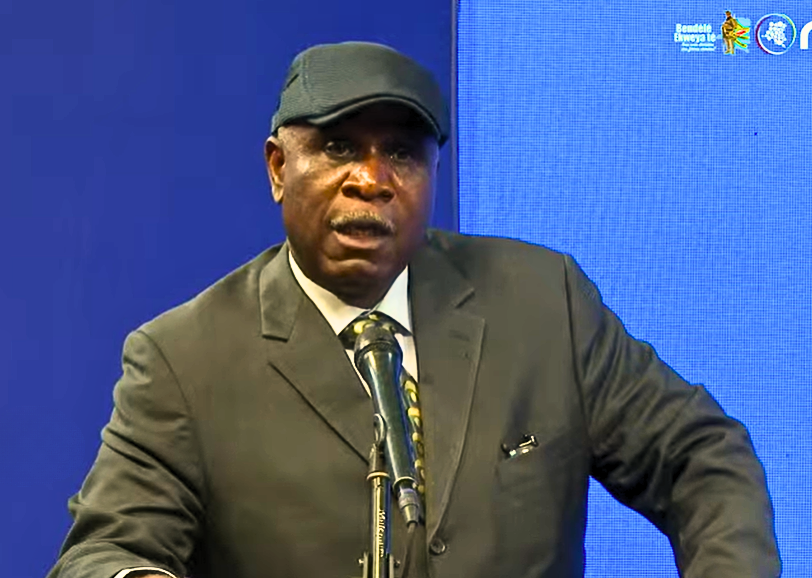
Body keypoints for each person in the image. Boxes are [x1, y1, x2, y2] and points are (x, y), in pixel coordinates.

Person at [47, 41, 780, 578]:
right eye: (338, 147)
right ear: (278, 168)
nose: (371, 179)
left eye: (400, 153)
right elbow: (105, 551)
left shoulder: (541, 302)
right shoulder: (184, 359)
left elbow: (699, 454)